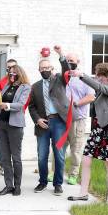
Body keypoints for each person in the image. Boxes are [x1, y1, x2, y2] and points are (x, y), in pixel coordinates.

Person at [68, 63, 108, 206]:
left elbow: (100, 87)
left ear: (106, 76)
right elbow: (96, 89)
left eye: (98, 74)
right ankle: (83, 193)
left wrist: (82, 75)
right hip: (97, 128)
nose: (96, 77)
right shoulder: (100, 90)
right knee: (86, 160)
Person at [28, 45, 72, 196]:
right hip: (43, 124)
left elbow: (67, 71)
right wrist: (37, 119)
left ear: (52, 68)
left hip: (59, 122)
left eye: (48, 67)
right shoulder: (34, 87)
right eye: (43, 67)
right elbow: (31, 107)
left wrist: (61, 54)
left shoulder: (59, 79)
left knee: (59, 155)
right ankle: (42, 182)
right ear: (39, 70)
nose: (45, 69)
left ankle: (58, 184)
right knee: (41, 155)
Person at [56, 49, 95, 185]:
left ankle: (73, 175)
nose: (70, 63)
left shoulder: (84, 78)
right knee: (58, 147)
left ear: (78, 62)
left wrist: (76, 104)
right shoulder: (63, 77)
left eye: (72, 61)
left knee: (75, 150)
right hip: (61, 120)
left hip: (77, 120)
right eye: (68, 61)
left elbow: (91, 96)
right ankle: (54, 172)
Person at [0, 65, 31, 196]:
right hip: (2, 124)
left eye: (14, 73)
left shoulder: (25, 87)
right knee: (5, 158)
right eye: (10, 73)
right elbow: (1, 101)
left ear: (19, 73)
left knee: (15, 157)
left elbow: (21, 105)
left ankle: (17, 186)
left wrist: (7, 105)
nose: (11, 75)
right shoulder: (6, 86)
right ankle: (8, 185)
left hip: (15, 125)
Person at [0, 59, 18, 175]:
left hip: (15, 117)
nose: (10, 70)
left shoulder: (22, 82)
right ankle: (4, 166)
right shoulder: (1, 82)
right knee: (3, 145)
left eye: (12, 67)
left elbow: (24, 102)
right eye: (8, 68)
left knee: (14, 145)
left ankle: (14, 167)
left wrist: (18, 112)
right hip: (3, 116)